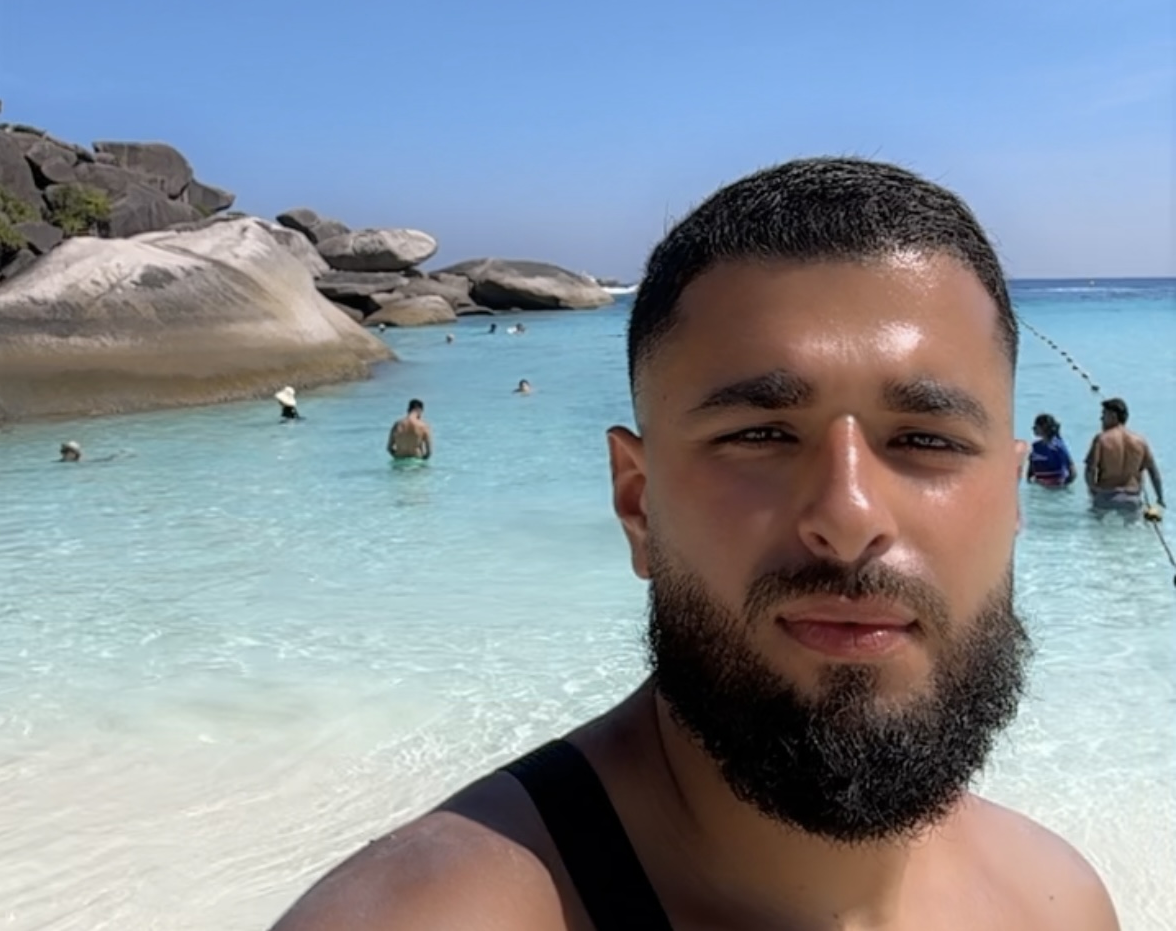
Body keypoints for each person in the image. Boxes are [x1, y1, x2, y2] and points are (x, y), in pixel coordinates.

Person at [269, 158, 1119, 931]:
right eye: (760, 434)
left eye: (926, 439)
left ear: (1011, 492)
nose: (849, 513)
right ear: (637, 502)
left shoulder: (1055, 901)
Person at [1085, 397, 1164, 520]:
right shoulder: (1140, 441)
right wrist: (1160, 498)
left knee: (1098, 531)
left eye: (1104, 414)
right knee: (1131, 531)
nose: (1101, 419)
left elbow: (1090, 469)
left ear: (1113, 416)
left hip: (1105, 496)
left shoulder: (1101, 439)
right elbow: (1154, 472)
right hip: (1131, 499)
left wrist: (1093, 490)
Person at [1025, 413, 1076, 487]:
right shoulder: (1035, 447)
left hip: (1057, 488)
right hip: (1040, 487)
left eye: (1035, 427)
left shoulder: (1057, 447)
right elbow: (1031, 469)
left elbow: (1072, 470)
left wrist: (1063, 486)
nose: (1033, 428)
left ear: (1044, 428)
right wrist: (1030, 483)